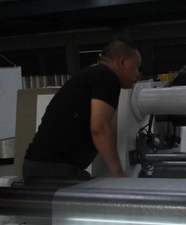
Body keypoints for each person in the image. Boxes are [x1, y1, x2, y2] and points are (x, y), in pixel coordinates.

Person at [22, 39, 141, 180]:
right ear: (122, 62)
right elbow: (100, 127)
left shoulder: (91, 75)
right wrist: (118, 173)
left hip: (40, 166)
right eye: (137, 67)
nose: (138, 74)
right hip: (54, 168)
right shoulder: (106, 76)